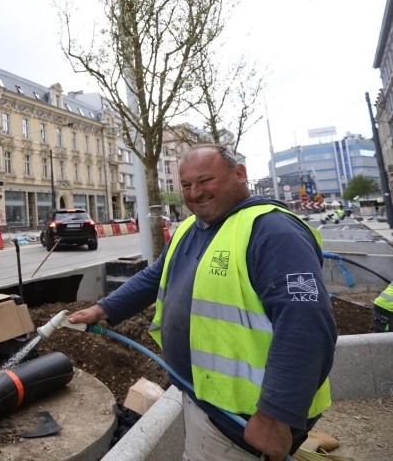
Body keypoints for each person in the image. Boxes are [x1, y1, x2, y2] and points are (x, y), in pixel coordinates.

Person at [68, 145, 337, 461]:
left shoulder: (272, 230)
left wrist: (277, 414)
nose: (194, 193)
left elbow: (305, 323)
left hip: (244, 419)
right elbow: (156, 276)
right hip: (208, 399)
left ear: (239, 174)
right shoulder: (189, 229)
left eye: (205, 180)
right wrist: (105, 309)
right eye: (185, 185)